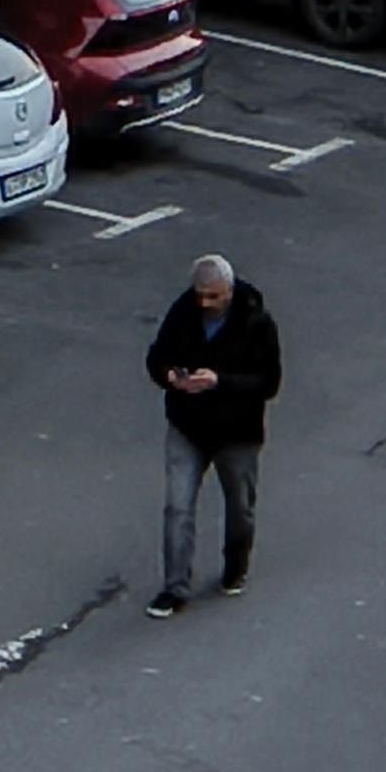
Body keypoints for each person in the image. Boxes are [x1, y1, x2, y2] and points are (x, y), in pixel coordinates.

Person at [144, 254, 281, 613]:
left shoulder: (256, 322)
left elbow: (268, 382)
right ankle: (174, 587)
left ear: (230, 292)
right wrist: (170, 376)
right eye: (201, 295)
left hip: (237, 432)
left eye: (213, 297)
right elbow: (156, 356)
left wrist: (219, 382)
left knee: (239, 507)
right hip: (188, 425)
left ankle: (235, 569)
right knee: (177, 507)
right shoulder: (183, 311)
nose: (205, 303)